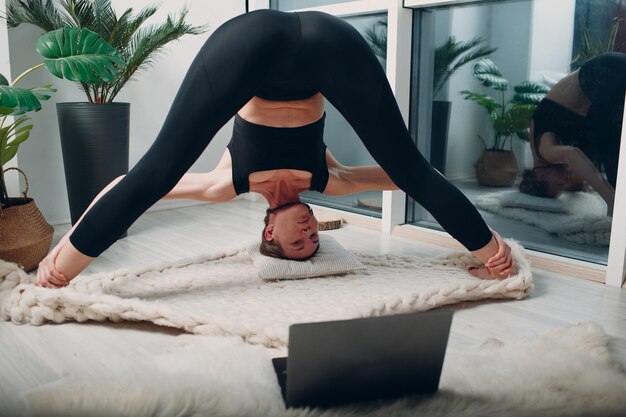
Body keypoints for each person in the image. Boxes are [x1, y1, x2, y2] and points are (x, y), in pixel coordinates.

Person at [36, 9, 516, 288]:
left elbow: (129, 187)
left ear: (269, 232)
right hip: (331, 44)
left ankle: (58, 272)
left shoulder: (227, 185)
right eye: (315, 241)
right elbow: (411, 174)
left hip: (249, 45)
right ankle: (494, 253)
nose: (310, 233)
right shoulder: (331, 181)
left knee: (155, 171)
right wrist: (491, 249)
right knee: (408, 164)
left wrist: (61, 261)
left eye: (298, 242)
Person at [520, 52, 625, 216]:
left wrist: (609, 198)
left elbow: (572, 154)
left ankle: (615, 202)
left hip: (600, 74)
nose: (564, 182)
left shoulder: (544, 152)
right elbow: (578, 173)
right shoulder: (546, 144)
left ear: (540, 176)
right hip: (602, 71)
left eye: (558, 185)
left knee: (612, 156)